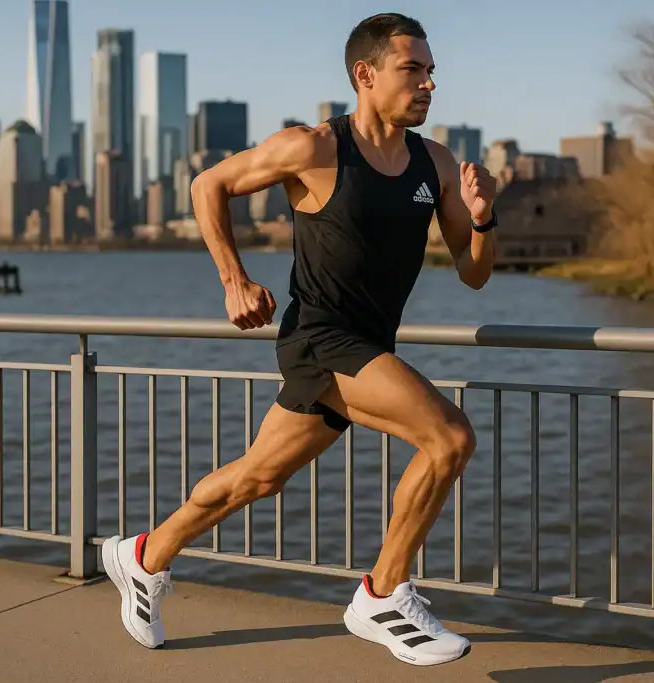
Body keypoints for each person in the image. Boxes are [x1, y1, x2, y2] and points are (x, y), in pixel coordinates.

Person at [101, 12, 498, 667]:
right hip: (320, 338)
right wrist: (234, 279)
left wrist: (484, 219)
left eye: (430, 71)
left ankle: (144, 555)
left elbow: (474, 273)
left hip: (367, 345)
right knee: (449, 436)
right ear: (365, 76)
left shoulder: (436, 162)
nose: (428, 83)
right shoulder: (314, 148)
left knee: (256, 478)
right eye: (412, 70)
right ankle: (382, 592)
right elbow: (210, 184)